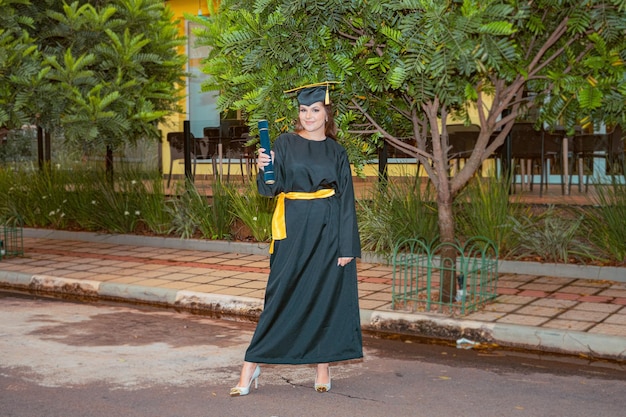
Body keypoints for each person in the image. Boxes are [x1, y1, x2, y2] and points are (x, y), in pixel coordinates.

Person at [230, 82, 363, 396]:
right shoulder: (285, 143)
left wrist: (347, 246)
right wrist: (264, 168)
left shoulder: (336, 151)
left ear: (327, 114)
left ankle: (323, 365)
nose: (308, 116)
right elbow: (270, 188)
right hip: (292, 229)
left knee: (327, 295)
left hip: (329, 230)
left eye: (315, 110)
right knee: (280, 295)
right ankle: (252, 364)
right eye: (304, 110)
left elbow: (346, 200)